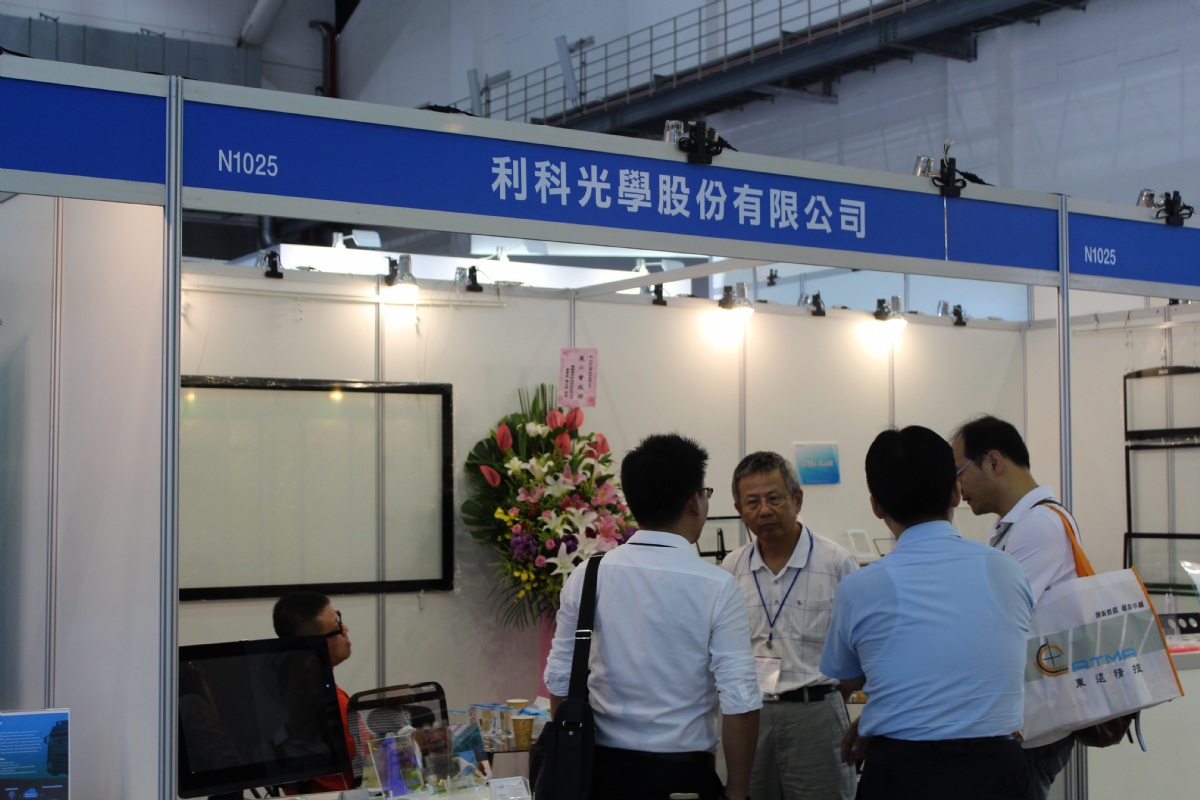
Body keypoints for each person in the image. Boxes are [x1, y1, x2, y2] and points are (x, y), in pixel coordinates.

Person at [820, 425, 1034, 800]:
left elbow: (848, 678)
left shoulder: (859, 588)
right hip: (997, 770)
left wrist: (880, 716)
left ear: (876, 505)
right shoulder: (1006, 570)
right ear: (955, 492)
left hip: (900, 772)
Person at [544, 433, 761, 800]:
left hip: (600, 774)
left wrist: (571, 763)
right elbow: (740, 701)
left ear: (632, 503)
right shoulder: (718, 586)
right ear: (695, 501)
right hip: (684, 777)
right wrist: (738, 791)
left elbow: (561, 682)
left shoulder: (587, 574)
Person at [951, 414, 1084, 800]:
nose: (957, 489)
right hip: (1023, 718)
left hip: (1032, 723)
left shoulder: (1039, 525)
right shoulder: (1018, 524)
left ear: (993, 461)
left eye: (959, 472)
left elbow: (996, 619)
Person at [721, 451, 857, 800]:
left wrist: (828, 697)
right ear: (739, 509)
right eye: (752, 502)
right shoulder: (731, 569)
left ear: (797, 499)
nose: (764, 510)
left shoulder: (837, 563)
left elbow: (857, 648)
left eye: (774, 498)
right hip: (750, 717)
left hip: (816, 715)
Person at [272, 590, 355, 794]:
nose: (345, 629)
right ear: (314, 645)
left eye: (340, 620)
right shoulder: (329, 703)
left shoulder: (291, 691)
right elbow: (377, 758)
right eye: (336, 628)